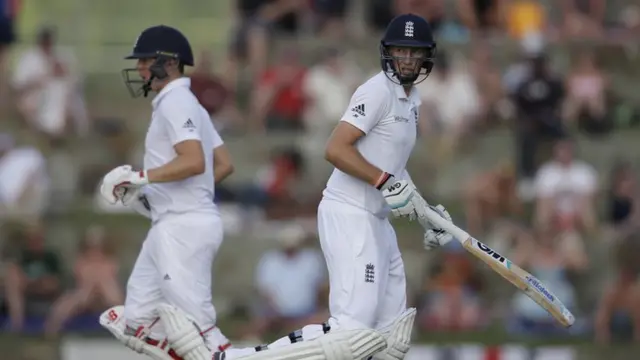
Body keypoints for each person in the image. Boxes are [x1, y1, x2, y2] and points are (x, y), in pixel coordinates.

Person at [156, 14, 455, 360]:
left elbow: (394, 169)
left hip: (378, 220)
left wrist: (426, 213)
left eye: (413, 53)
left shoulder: (414, 100)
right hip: (350, 213)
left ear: (425, 57)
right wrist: (385, 182)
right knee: (353, 336)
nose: (406, 59)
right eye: (400, 51)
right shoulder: (376, 92)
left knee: (390, 342)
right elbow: (336, 148)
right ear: (387, 52)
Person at [96, 25, 235, 360]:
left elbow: (193, 160)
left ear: (169, 62)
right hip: (171, 223)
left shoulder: (178, 102)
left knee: (198, 328)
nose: (140, 68)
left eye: (145, 61)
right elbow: (224, 164)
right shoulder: (186, 104)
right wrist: (162, 194)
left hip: (184, 227)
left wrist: (142, 178)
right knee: (136, 320)